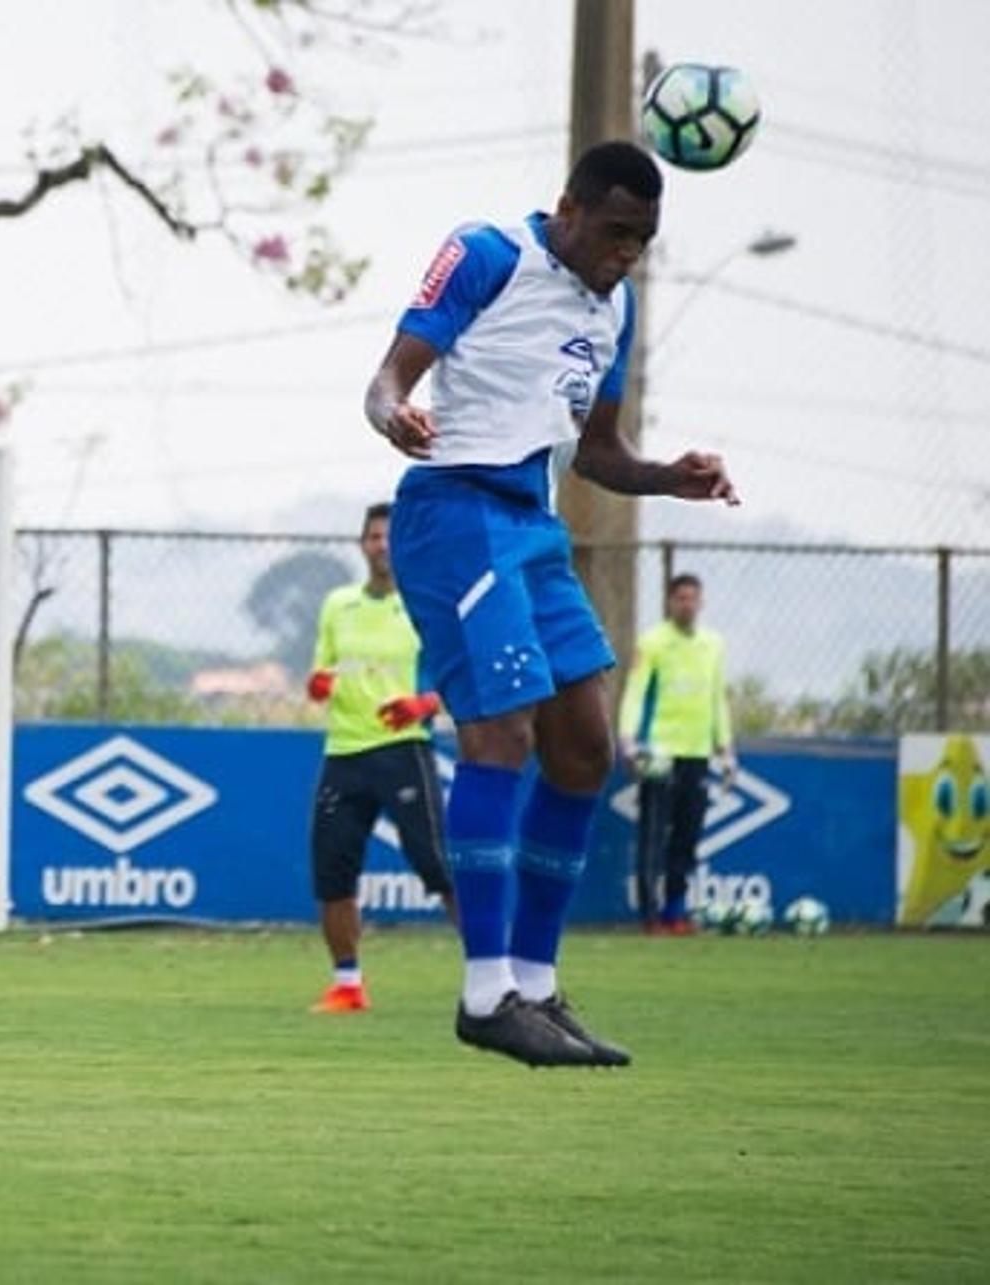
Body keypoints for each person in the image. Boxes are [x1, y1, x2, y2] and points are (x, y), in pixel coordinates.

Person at [363, 140, 738, 1069]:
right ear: (568, 208)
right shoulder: (490, 252)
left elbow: (597, 449)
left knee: (585, 746)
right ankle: (485, 991)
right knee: (502, 735)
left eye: (643, 241)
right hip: (454, 511)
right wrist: (394, 412)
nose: (626, 254)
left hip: (533, 526)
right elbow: (387, 379)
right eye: (615, 232)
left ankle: (535, 983)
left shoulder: (615, 306)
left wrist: (666, 477)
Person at [303, 502, 454, 1014]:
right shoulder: (337, 605)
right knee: (333, 873)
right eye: (373, 537)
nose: (382, 545)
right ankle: (347, 984)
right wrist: (319, 684)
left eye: (390, 536)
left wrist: (424, 704)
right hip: (344, 752)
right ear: (361, 545)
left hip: (403, 749)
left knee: (437, 865)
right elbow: (321, 673)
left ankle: (493, 974)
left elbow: (457, 675)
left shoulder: (426, 603)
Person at [618, 572, 735, 935]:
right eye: (680, 598)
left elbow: (717, 698)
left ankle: (676, 910)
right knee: (653, 835)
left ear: (701, 602)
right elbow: (636, 692)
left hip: (697, 753)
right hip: (659, 752)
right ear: (670, 602)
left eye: (692, 598)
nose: (687, 604)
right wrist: (627, 739)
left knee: (688, 836)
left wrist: (726, 748)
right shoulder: (653, 642)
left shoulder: (712, 644)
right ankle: (650, 916)